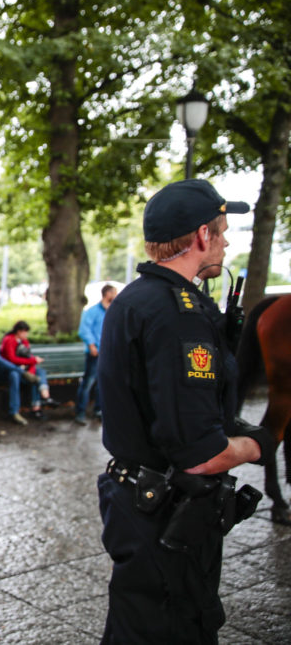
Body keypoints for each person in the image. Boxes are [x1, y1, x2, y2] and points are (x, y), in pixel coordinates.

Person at [97, 178, 274, 643]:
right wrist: (259, 443)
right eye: (222, 232)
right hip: (165, 512)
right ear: (201, 236)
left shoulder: (137, 298)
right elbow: (200, 455)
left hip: (137, 501)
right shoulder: (178, 314)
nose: (226, 243)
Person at [74, 284, 116, 425]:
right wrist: (91, 345)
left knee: (102, 383)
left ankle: (98, 410)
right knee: (88, 383)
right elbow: (84, 330)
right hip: (95, 353)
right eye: (114, 293)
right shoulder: (92, 311)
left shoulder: (112, 311)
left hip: (107, 353)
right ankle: (80, 412)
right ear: (107, 294)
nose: (116, 296)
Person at [0, 320, 56, 420]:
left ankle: (41, 400)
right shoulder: (9, 340)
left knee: (39, 373)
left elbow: (30, 357)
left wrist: (31, 371)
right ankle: (42, 400)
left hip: (24, 370)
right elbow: (12, 359)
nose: (27, 334)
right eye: (25, 332)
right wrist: (32, 362)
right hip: (12, 370)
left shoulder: (24, 341)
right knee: (26, 377)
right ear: (19, 331)